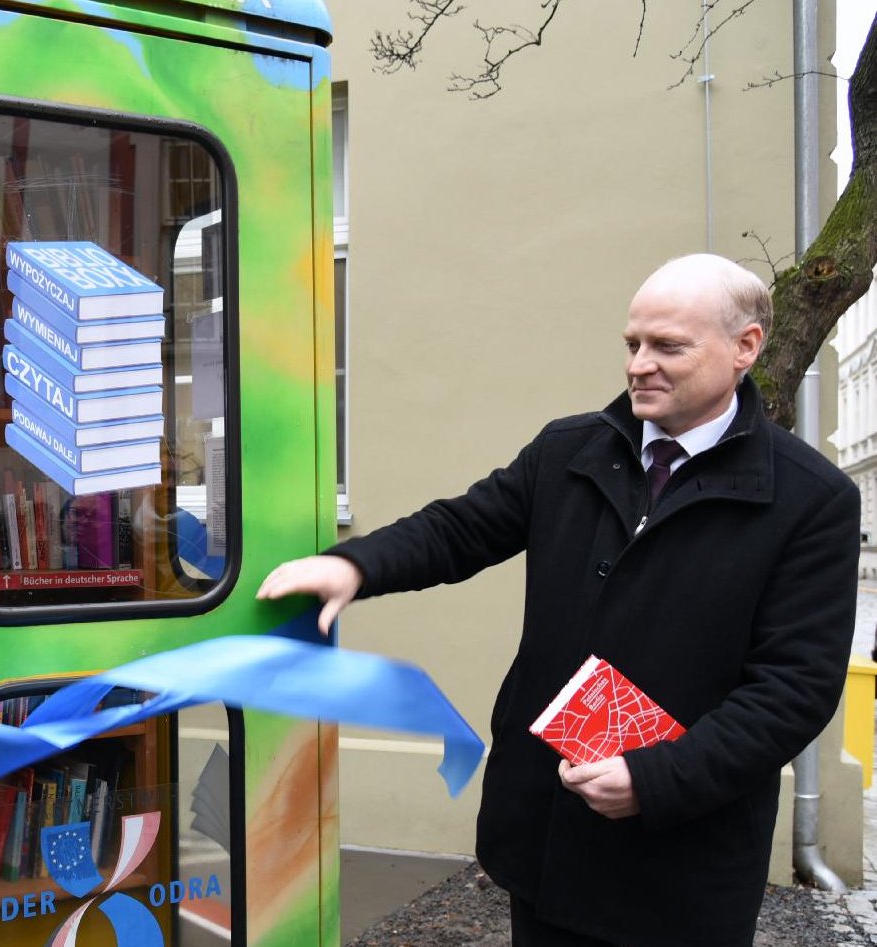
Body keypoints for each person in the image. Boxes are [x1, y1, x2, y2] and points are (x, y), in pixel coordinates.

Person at [258, 253, 858, 947]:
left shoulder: (812, 501)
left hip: (682, 867)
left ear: (745, 347)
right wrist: (355, 565)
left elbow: (793, 690)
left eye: (667, 346)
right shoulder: (570, 450)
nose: (639, 364)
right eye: (632, 344)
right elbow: (462, 527)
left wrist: (655, 778)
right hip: (545, 837)